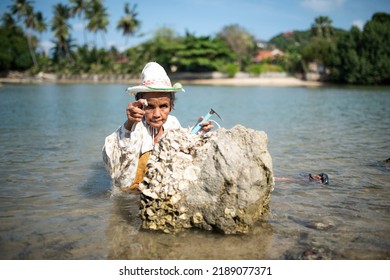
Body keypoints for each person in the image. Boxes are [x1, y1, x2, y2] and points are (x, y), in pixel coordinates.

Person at [102, 62, 213, 193]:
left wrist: (198, 130)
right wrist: (129, 123)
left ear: (172, 106)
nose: (157, 114)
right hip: (130, 195)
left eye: (163, 106)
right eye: (150, 106)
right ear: (140, 105)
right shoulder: (135, 127)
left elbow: (182, 144)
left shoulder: (172, 123)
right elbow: (110, 157)